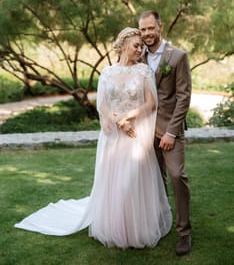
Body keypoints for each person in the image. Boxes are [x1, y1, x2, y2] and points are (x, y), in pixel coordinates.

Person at [15, 27, 172, 249]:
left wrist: (127, 118)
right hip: (114, 137)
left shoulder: (144, 72)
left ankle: (136, 230)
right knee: (115, 184)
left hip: (134, 135)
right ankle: (114, 228)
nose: (140, 49)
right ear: (123, 45)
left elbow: (151, 103)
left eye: (142, 47)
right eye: (136, 45)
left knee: (131, 183)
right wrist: (118, 121)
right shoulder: (107, 73)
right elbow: (102, 104)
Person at [138, 11, 192, 256]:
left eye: (151, 28)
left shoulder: (177, 56)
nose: (147, 33)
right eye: (143, 30)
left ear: (160, 27)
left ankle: (184, 232)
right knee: (153, 180)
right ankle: (161, 223)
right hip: (144, 131)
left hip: (170, 130)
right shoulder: (137, 57)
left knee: (177, 176)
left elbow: (183, 97)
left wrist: (171, 132)